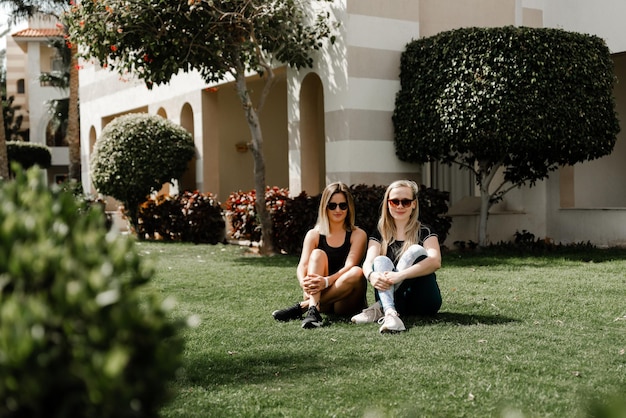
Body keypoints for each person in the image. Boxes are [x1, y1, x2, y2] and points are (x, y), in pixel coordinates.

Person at [272, 182, 368, 329]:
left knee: (356, 272)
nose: (338, 210)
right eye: (332, 205)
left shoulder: (358, 234)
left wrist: (326, 281)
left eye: (343, 205)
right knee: (317, 254)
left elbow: (350, 265)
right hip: (318, 293)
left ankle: (304, 308)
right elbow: (303, 265)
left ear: (349, 208)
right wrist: (303, 283)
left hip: (347, 300)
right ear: (325, 207)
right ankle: (313, 309)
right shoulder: (314, 234)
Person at [351, 180, 442, 333]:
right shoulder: (379, 234)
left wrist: (399, 276)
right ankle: (390, 314)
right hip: (395, 302)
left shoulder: (425, 231)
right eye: (395, 201)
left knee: (415, 251)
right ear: (388, 203)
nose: (400, 206)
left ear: (413, 204)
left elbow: (435, 261)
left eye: (405, 202)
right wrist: (372, 275)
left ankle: (379, 308)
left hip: (423, 300)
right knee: (380, 260)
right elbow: (367, 263)